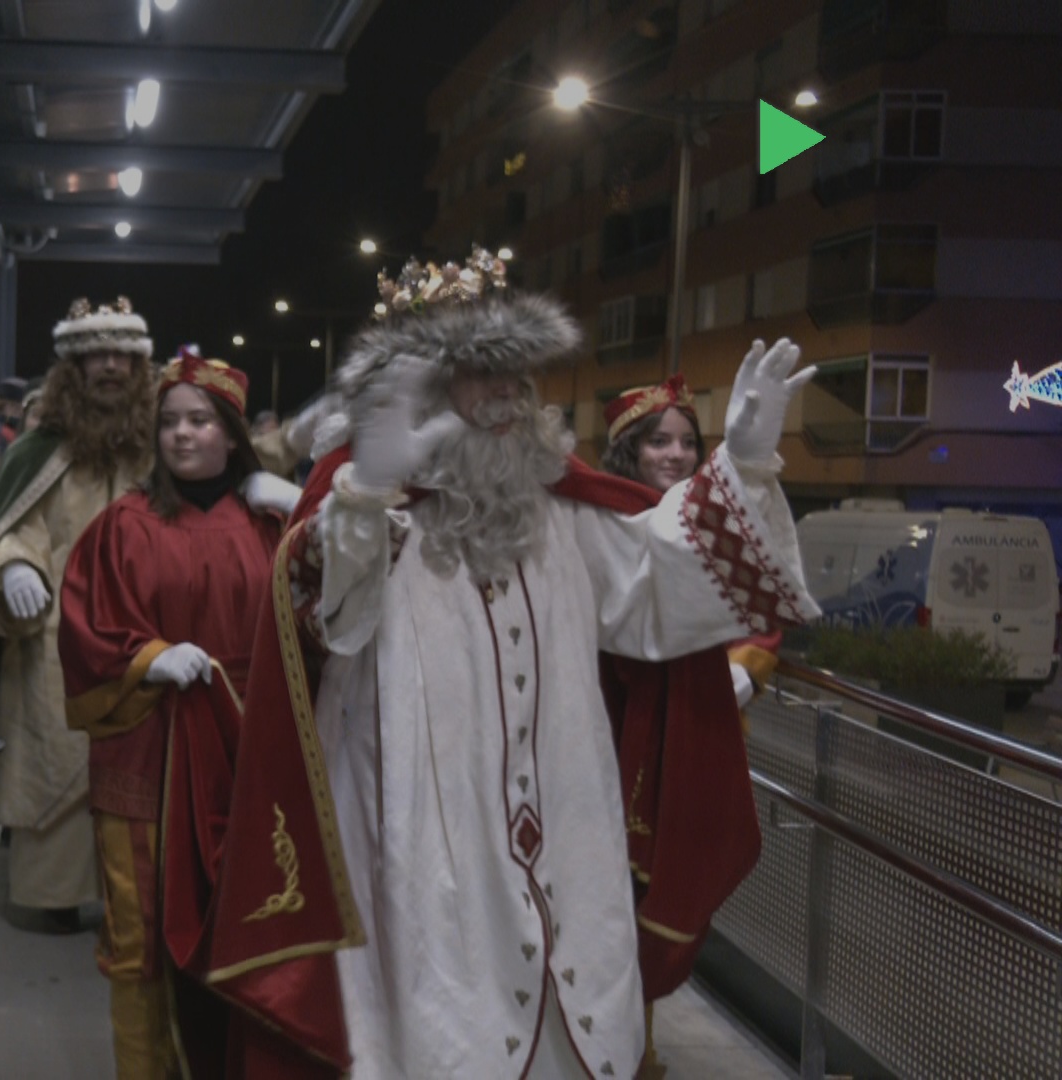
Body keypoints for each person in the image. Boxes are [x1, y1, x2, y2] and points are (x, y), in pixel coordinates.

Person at [204, 249, 819, 1079]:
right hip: (419, 837)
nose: (503, 392)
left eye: (514, 372)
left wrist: (742, 464)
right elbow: (325, 613)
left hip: (564, 829)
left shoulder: (561, 504)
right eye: (476, 372)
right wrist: (363, 494)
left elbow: (657, 582)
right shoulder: (367, 504)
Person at [58, 350, 301, 1077]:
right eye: (170, 422)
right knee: (139, 941)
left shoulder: (267, 525)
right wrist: (147, 658)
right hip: (146, 759)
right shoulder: (122, 525)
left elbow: (323, 618)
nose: (182, 434)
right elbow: (86, 630)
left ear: (232, 433)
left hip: (246, 757)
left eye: (200, 421)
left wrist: (306, 508)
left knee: (248, 927)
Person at [0, 296, 157, 934]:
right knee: (57, 760)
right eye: (96, 355)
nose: (110, 366)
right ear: (73, 367)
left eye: (121, 354)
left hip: (149, 630)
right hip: (55, 633)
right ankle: (51, 894)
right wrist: (11, 567)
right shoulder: (40, 451)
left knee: (146, 764)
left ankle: (141, 898)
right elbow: (12, 526)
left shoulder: (159, 446)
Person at [602, 374, 783, 707]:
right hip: (619, 700)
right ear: (630, 449)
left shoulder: (714, 518)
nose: (677, 454)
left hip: (703, 703)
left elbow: (757, 603)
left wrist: (742, 670)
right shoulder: (603, 522)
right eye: (659, 441)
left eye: (688, 443)